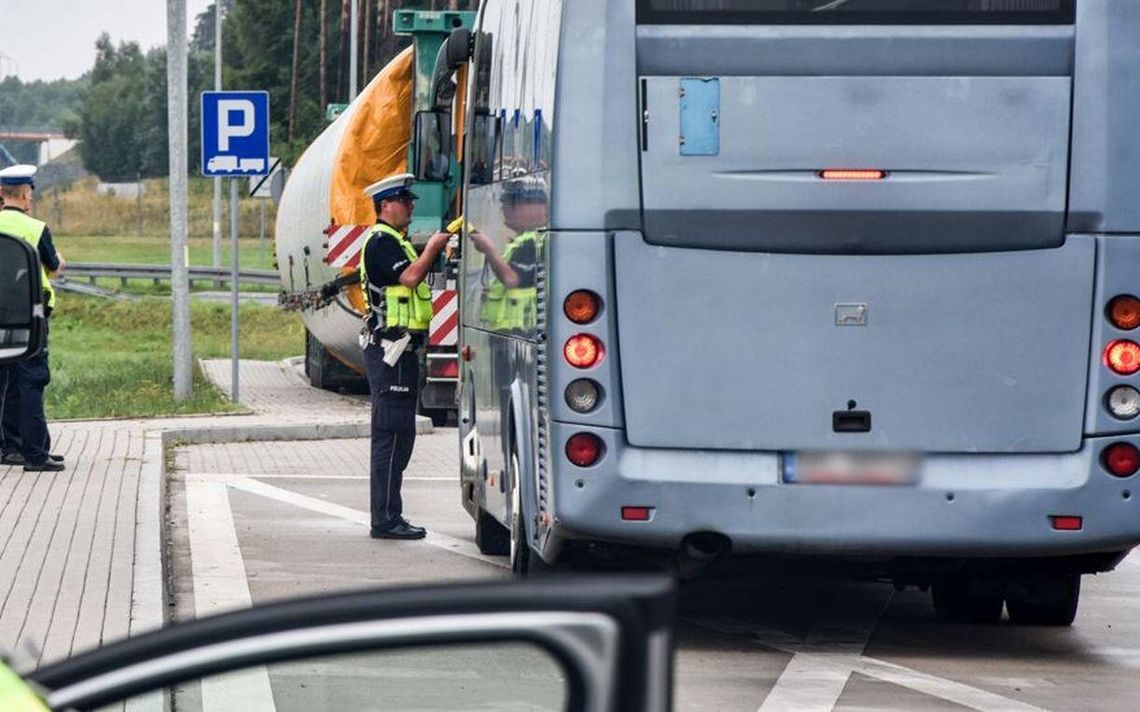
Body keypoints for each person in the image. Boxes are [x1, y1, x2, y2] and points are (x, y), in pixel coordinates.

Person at [359, 172, 449, 540]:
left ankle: (389, 514)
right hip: (390, 351)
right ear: (385, 205)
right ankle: (385, 519)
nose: (412, 205)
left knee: (401, 435)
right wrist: (434, 247)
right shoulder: (381, 241)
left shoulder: (397, 240)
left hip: (403, 351)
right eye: (405, 200)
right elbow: (411, 279)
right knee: (392, 435)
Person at [0, 165, 65, 473]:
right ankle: (36, 455)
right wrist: (59, 259)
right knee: (31, 381)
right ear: (25, 194)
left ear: (1, 193)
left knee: (5, 382)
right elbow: (53, 267)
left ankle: (9, 448)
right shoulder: (36, 228)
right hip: (30, 318)